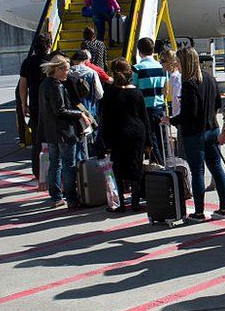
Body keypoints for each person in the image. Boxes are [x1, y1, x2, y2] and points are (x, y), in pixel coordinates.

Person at [165, 47, 225, 221]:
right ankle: (224, 208)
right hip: (212, 128)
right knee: (217, 168)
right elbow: (217, 103)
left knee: (198, 171)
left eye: (178, 60)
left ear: (185, 62)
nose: (176, 63)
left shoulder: (188, 83)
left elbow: (189, 113)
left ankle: (199, 212)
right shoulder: (209, 78)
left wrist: (171, 120)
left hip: (195, 133)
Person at [37, 55, 91, 208]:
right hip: (64, 131)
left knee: (55, 163)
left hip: (50, 131)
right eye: (66, 70)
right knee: (69, 165)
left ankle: (56, 197)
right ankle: (71, 198)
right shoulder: (57, 86)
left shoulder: (45, 84)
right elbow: (60, 110)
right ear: (58, 69)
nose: (68, 73)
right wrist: (80, 114)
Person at [100, 58, 150, 213]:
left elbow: (106, 120)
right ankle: (135, 203)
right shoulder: (137, 93)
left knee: (118, 169)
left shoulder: (109, 93)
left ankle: (121, 203)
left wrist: (105, 142)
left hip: (118, 133)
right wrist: (149, 141)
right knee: (136, 167)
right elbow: (144, 117)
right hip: (137, 133)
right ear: (130, 73)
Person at [19, 33, 52, 178]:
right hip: (52, 107)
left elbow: (23, 85)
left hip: (35, 107)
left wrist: (23, 103)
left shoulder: (28, 62)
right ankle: (53, 171)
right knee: (54, 141)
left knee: (37, 141)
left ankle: (38, 171)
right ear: (49, 45)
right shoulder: (52, 61)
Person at [132, 37, 169, 166]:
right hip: (160, 106)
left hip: (145, 109)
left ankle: (159, 166)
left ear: (139, 51)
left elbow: (133, 89)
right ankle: (164, 164)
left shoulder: (137, 69)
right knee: (162, 139)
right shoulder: (162, 68)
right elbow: (165, 89)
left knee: (150, 140)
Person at [69, 50, 105, 155]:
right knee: (91, 139)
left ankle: (79, 165)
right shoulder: (92, 73)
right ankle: (89, 165)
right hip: (90, 111)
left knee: (77, 140)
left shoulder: (68, 73)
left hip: (73, 111)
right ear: (85, 60)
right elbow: (100, 94)